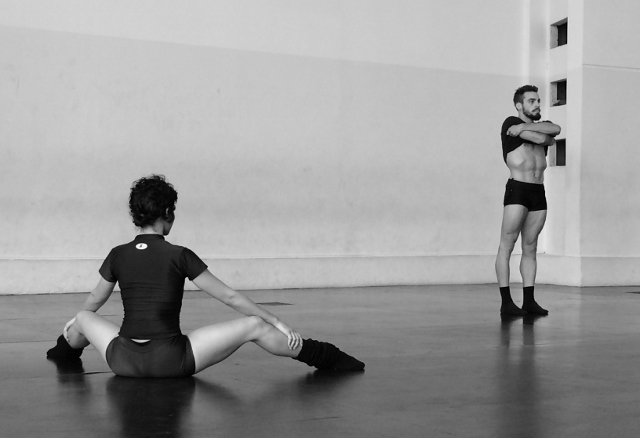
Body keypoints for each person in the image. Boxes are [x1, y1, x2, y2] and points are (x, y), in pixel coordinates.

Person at [47, 175, 364, 377]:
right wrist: (276, 320)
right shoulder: (179, 255)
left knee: (82, 317)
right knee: (253, 326)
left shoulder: (118, 254)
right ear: (168, 214)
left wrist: (77, 326)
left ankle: (62, 352)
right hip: (171, 361)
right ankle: (327, 357)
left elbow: (93, 301)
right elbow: (230, 297)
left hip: (123, 361)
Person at [495, 85, 561, 316]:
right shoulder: (508, 122)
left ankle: (529, 301)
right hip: (518, 189)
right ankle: (506, 302)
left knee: (530, 247)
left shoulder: (522, 125)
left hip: (538, 191)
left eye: (538, 101)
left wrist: (524, 128)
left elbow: (555, 130)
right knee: (507, 244)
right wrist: (542, 136)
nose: (537, 105)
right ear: (519, 105)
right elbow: (546, 138)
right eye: (531, 101)